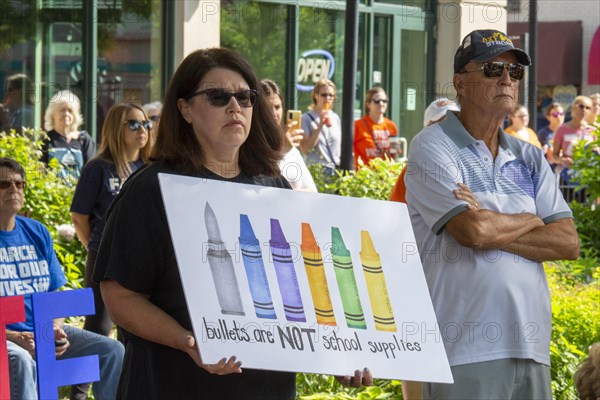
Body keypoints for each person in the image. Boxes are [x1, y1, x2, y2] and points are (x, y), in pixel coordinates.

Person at [92, 48, 371, 399]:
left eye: (245, 96)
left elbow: (299, 290)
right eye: (218, 96)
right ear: (185, 109)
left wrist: (336, 355)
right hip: (172, 385)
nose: (235, 106)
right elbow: (120, 296)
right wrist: (187, 341)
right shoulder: (151, 189)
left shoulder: (275, 186)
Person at [405, 29, 580, 399]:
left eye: (514, 73)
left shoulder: (529, 155)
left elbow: (567, 242)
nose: (506, 79)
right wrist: (532, 218)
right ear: (460, 83)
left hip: (531, 348)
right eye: (492, 69)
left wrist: (492, 219)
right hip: (463, 349)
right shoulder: (431, 146)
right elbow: (473, 232)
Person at [0, 157, 124, 400]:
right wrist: (16, 337)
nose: (14, 189)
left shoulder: (36, 232)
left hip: (41, 330)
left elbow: (55, 294)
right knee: (23, 360)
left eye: (19, 184)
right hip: (8, 336)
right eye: (4, 184)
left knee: (111, 350)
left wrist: (52, 330)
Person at [70, 103, 151, 334]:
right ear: (117, 128)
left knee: (137, 330)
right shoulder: (97, 167)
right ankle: (98, 372)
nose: (142, 130)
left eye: (146, 124)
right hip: (105, 259)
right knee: (98, 328)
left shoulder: (150, 167)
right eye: (134, 124)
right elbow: (79, 217)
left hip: (143, 258)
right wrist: (96, 248)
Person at [389, 98, 459, 203]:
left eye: (455, 120)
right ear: (428, 128)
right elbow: (397, 209)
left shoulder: (472, 162)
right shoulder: (413, 170)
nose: (451, 127)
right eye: (442, 122)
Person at [260, 79, 317, 192]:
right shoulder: (247, 143)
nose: (273, 113)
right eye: (267, 108)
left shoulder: (290, 146)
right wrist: (283, 150)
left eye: (277, 107)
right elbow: (261, 184)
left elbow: (312, 190)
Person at [42, 90, 95, 181]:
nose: (66, 114)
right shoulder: (46, 140)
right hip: (53, 193)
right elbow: (41, 172)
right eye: (62, 110)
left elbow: (92, 172)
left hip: (79, 193)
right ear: (53, 114)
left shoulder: (84, 140)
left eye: (70, 111)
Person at [552, 96, 596, 198]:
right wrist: (562, 161)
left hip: (587, 177)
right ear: (573, 107)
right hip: (567, 177)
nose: (584, 110)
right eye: (581, 106)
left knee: (587, 209)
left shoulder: (593, 131)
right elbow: (554, 155)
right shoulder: (561, 130)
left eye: (588, 108)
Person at [300, 78, 342, 171]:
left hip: (334, 170)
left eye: (331, 95)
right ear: (315, 96)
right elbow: (305, 149)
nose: (327, 98)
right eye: (324, 95)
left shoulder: (335, 117)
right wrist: (320, 126)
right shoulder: (306, 118)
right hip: (317, 171)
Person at [353, 87, 400, 168]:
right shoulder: (358, 125)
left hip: (386, 174)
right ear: (368, 104)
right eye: (377, 101)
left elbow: (394, 154)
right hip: (365, 175)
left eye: (384, 101)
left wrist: (396, 149)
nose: (381, 104)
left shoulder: (391, 126)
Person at [537, 102, 565, 166]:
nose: (558, 117)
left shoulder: (568, 132)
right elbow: (552, 156)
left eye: (561, 114)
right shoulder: (544, 133)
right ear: (548, 117)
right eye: (555, 114)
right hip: (551, 171)